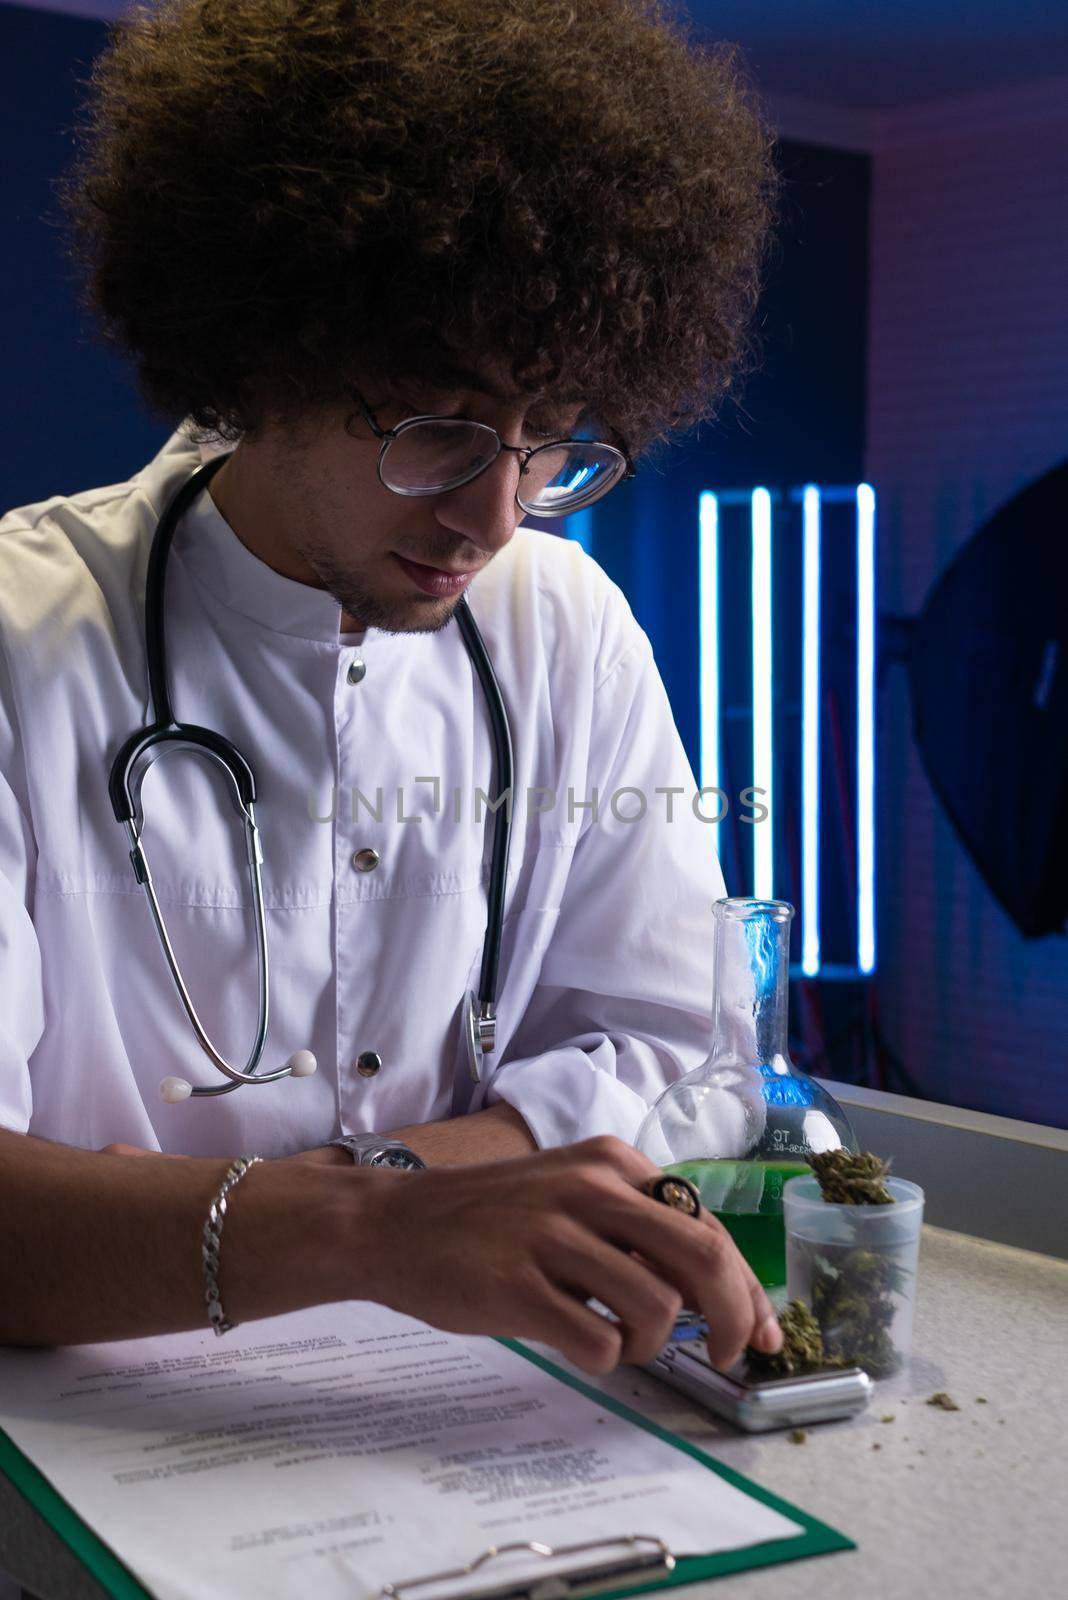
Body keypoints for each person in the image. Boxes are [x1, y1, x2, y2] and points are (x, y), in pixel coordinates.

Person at [0, 0, 781, 1371]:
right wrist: (372, 1229)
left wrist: (327, 1199)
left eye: (550, 446)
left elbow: (683, 1059)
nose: (493, 516)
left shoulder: (568, 626)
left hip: (465, 1409)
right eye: (438, 429)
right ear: (264, 358)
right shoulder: (21, 637)